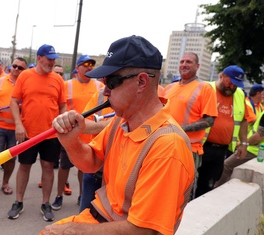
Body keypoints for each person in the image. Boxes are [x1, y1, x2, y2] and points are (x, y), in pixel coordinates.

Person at [41, 35, 194, 235]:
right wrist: (71, 142)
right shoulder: (121, 121)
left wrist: (75, 230)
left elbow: (144, 230)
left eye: (112, 82)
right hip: (97, 219)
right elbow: (92, 162)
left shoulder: (167, 146)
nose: (105, 91)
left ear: (141, 82)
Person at [8, 44, 66, 222]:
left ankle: (46, 203)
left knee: (48, 167)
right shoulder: (25, 75)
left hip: (51, 134)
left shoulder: (57, 79)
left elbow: (62, 104)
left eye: (54, 58)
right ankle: (18, 202)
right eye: (49, 58)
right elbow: (13, 100)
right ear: (39, 58)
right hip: (28, 133)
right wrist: (18, 124)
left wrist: (63, 119)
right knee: (24, 166)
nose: (52, 61)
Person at [51, 55, 104, 211]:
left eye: (91, 65)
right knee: (64, 166)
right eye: (85, 64)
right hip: (71, 135)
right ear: (77, 68)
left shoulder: (99, 86)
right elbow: (60, 107)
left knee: (86, 168)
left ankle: (82, 196)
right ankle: (59, 195)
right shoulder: (67, 85)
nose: (89, 67)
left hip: (92, 136)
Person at [163, 52, 218, 199]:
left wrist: (180, 130)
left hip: (189, 148)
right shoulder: (169, 88)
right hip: (164, 146)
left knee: (183, 192)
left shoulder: (205, 88)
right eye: (182, 61)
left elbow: (209, 120)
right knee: (164, 188)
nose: (184, 65)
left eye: (189, 62)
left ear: (197, 66)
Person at [195, 65, 249, 198]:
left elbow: (243, 120)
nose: (232, 87)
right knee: (189, 183)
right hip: (200, 147)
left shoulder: (240, 94)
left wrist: (244, 143)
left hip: (220, 151)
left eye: (236, 84)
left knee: (208, 185)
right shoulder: (205, 88)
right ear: (221, 76)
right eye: (230, 83)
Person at [0, 57, 28, 195]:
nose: (16, 69)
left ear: (24, 70)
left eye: (20, 67)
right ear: (10, 66)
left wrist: (21, 107)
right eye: (14, 66)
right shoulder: (0, 81)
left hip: (17, 129)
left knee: (10, 159)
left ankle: (5, 183)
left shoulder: (26, 84)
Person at [79, 87, 114, 213]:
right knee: (85, 215)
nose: (105, 89)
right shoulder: (100, 95)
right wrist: (112, 124)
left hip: (118, 173)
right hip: (96, 167)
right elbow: (83, 125)